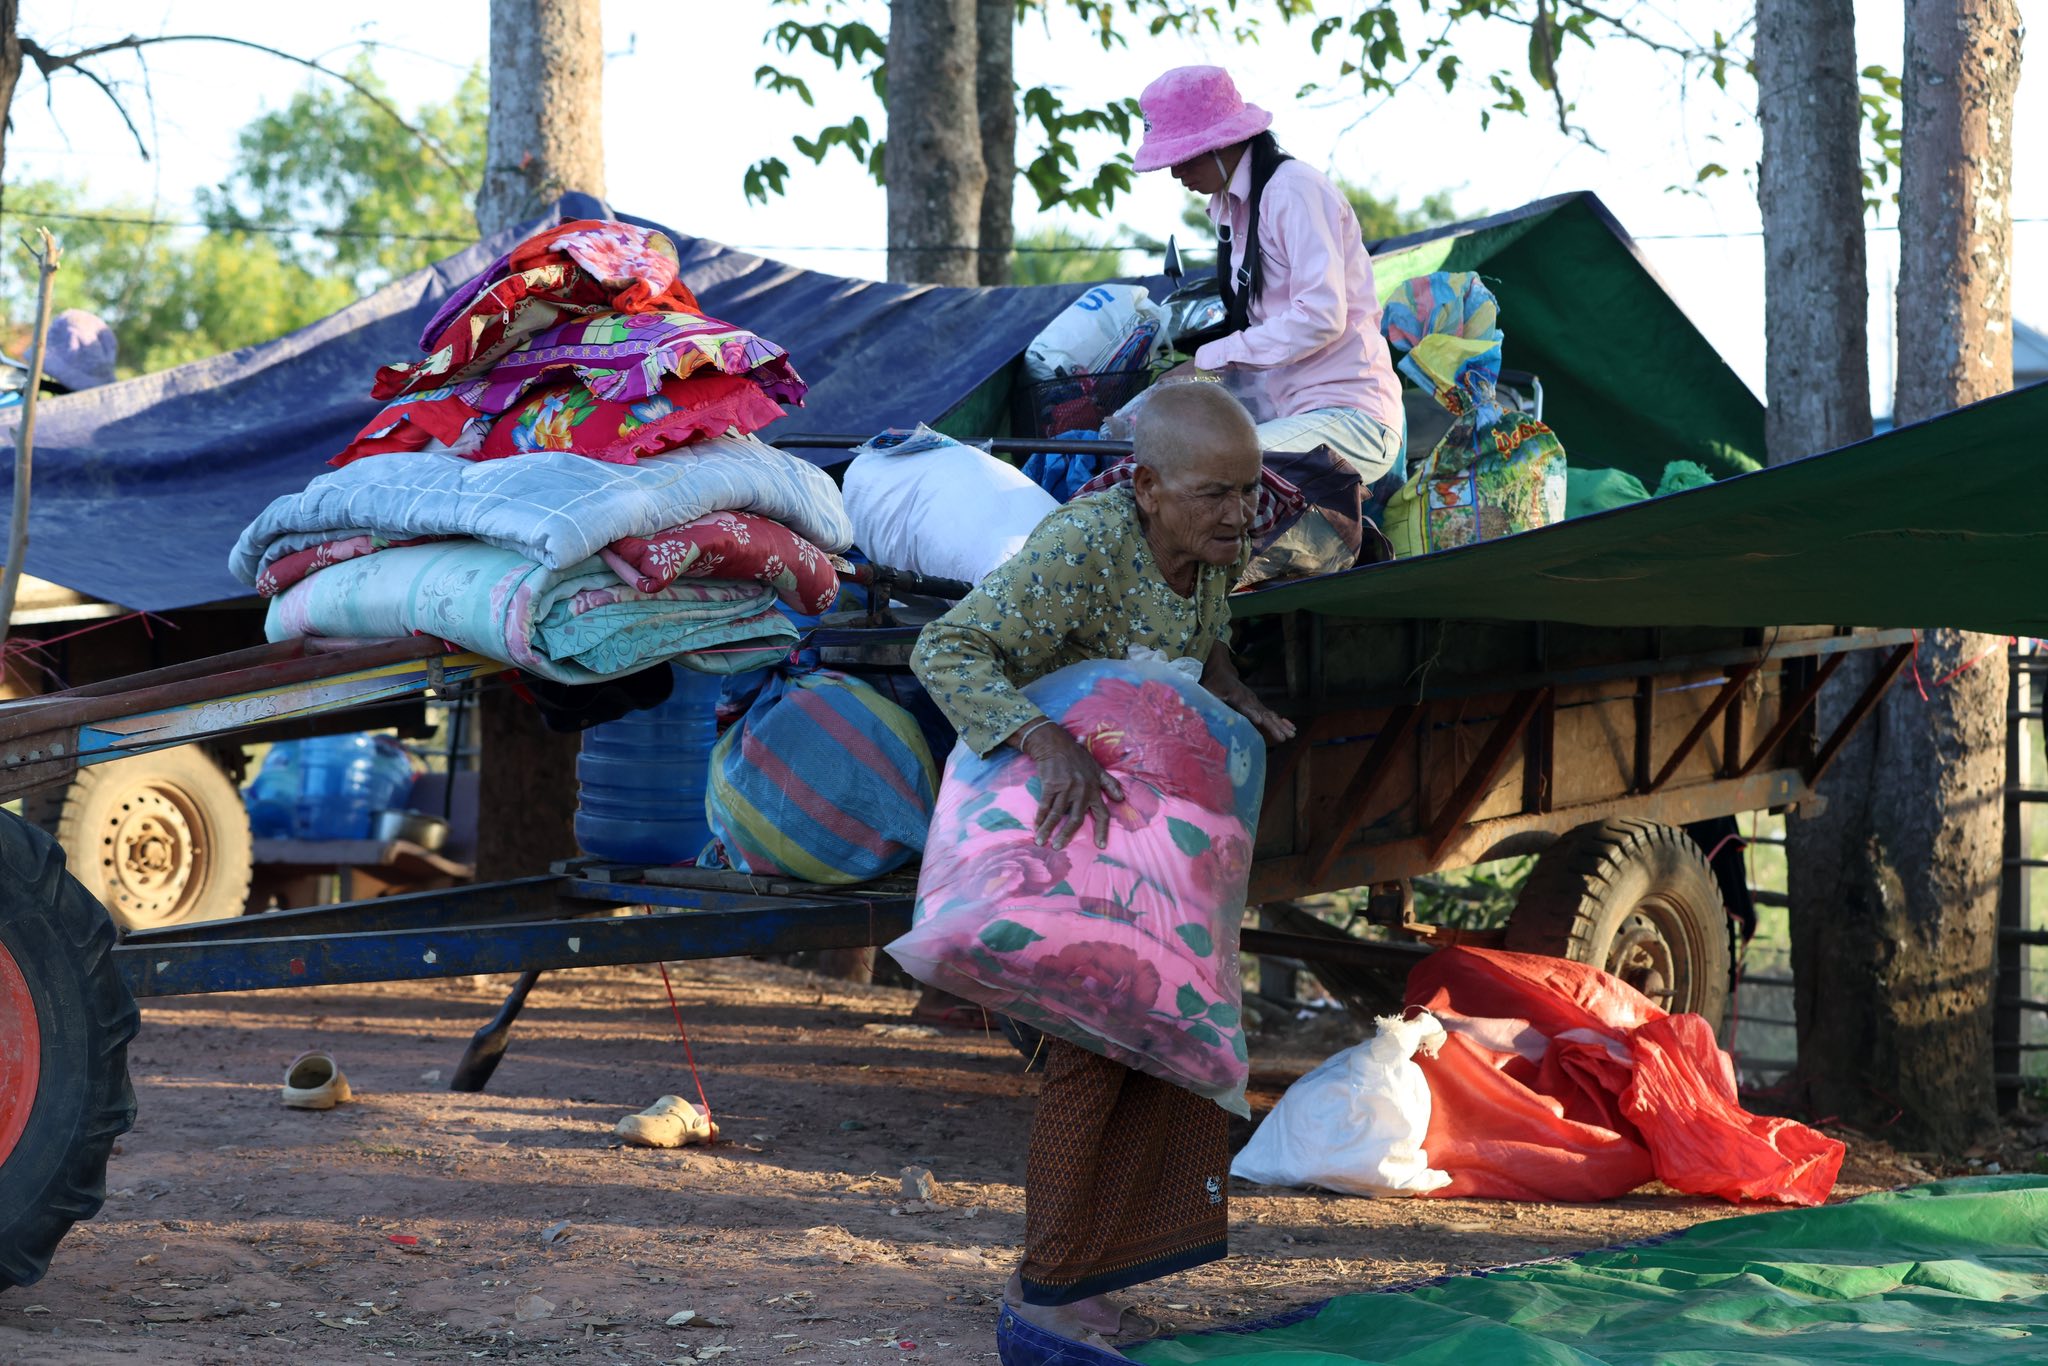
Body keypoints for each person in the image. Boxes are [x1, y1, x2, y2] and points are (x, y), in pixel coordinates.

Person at [910, 382, 1295, 1349]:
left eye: (1250, 490)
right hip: (1059, 840)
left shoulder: (1210, 550)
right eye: (1215, 494)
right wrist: (1046, 742)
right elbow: (947, 648)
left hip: (1145, 852)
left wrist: (1237, 696)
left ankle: (1094, 1282)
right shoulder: (1084, 546)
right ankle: (1045, 1293)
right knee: (1094, 1054)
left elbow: (1202, 643)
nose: (1241, 514)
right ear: (1148, 487)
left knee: (1163, 1053)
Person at [1133, 65, 1407, 516]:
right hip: (1294, 416)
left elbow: (1320, 316)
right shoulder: (1228, 207)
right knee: (1150, 462)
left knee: (1203, 468)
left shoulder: (1292, 189)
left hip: (1354, 419)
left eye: (1185, 155)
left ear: (1224, 142)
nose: (1176, 171)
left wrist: (1208, 360)